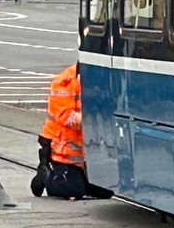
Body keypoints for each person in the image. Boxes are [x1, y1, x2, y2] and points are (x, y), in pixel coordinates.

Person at [30, 63, 113, 200]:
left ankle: (76, 182)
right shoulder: (64, 83)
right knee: (74, 190)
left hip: (85, 156)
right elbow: (65, 116)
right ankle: (46, 175)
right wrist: (92, 120)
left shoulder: (99, 80)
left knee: (106, 192)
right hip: (62, 152)